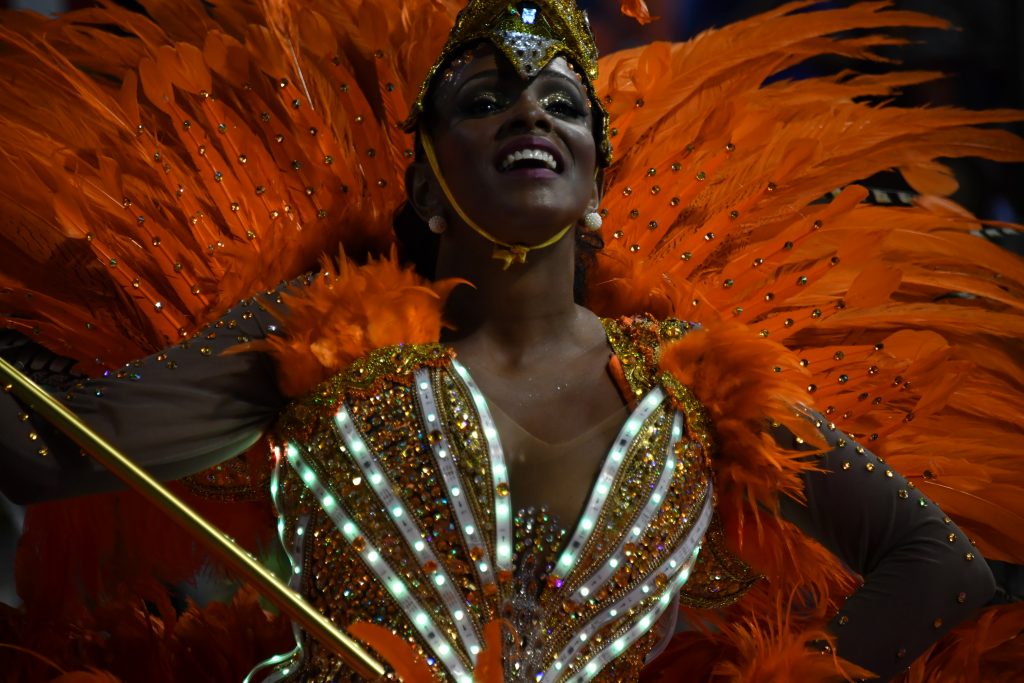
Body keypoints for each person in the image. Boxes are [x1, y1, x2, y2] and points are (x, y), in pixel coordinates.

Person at [1, 1, 1022, 681]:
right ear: (424, 184)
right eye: (483, 100)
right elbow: (44, 449)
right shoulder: (321, 338)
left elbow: (939, 562)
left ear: (592, 187)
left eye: (562, 102)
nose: (528, 112)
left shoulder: (695, 384)